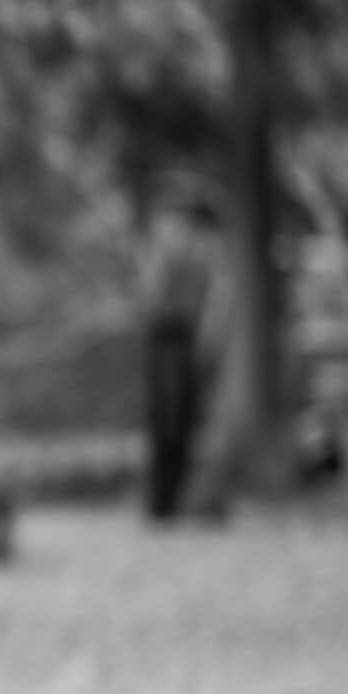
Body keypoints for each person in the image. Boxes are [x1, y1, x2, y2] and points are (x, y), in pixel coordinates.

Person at [137, 199, 220, 521]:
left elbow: (204, 308)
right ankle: (160, 500)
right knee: (163, 420)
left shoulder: (199, 264)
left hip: (184, 340)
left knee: (183, 419)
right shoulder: (159, 261)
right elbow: (151, 300)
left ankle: (175, 496)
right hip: (163, 340)